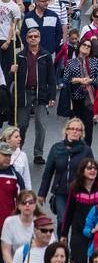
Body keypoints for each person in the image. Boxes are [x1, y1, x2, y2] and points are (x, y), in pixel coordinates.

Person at [37, 117, 93, 232]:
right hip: (60, 192)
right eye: (72, 128)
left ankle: (75, 247)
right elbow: (48, 172)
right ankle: (61, 246)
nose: (74, 131)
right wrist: (42, 194)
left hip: (79, 191)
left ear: (81, 133)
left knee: (78, 222)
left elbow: (92, 172)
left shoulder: (86, 150)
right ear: (66, 130)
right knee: (62, 219)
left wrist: (91, 191)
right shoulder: (56, 148)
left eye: (78, 130)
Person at [12, 27, 56, 164]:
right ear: (26, 39)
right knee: (22, 125)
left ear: (39, 38)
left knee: (41, 125)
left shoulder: (46, 55)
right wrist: (11, 71)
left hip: (40, 93)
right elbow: (11, 79)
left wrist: (52, 96)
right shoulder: (19, 56)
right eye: (30, 36)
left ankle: (38, 154)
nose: (33, 38)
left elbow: (52, 78)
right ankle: (18, 151)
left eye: (35, 36)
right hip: (24, 93)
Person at [61, 158, 98, 263]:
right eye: (89, 168)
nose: (92, 170)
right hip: (78, 231)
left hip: (97, 232)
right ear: (82, 171)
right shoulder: (74, 187)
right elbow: (69, 211)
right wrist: (64, 234)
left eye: (94, 168)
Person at [1, 189, 39, 263]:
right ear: (18, 206)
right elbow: (6, 251)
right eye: (23, 203)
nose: (27, 205)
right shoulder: (9, 222)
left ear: (35, 205)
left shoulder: (41, 223)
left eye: (31, 202)